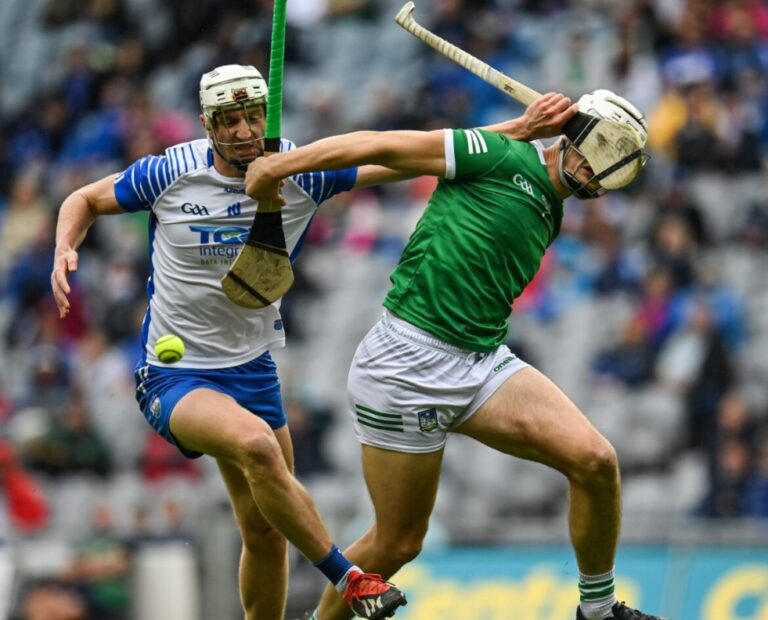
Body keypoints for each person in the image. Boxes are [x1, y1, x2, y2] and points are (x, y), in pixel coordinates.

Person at [244, 90, 666, 620]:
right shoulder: (497, 154)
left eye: (614, 164)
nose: (598, 170)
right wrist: (281, 163)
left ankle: (597, 612)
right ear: (573, 134)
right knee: (398, 543)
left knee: (597, 461)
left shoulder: (551, 206)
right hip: (404, 366)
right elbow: (381, 145)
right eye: (600, 148)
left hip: (480, 360)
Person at [51, 64, 415, 620]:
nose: (245, 132)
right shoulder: (171, 172)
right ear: (207, 125)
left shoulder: (299, 171)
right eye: (230, 121)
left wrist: (502, 139)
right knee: (256, 446)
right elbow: (84, 199)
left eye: (253, 118)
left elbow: (388, 153)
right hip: (174, 375)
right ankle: (351, 579)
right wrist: (63, 249)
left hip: (253, 369)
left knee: (265, 533)